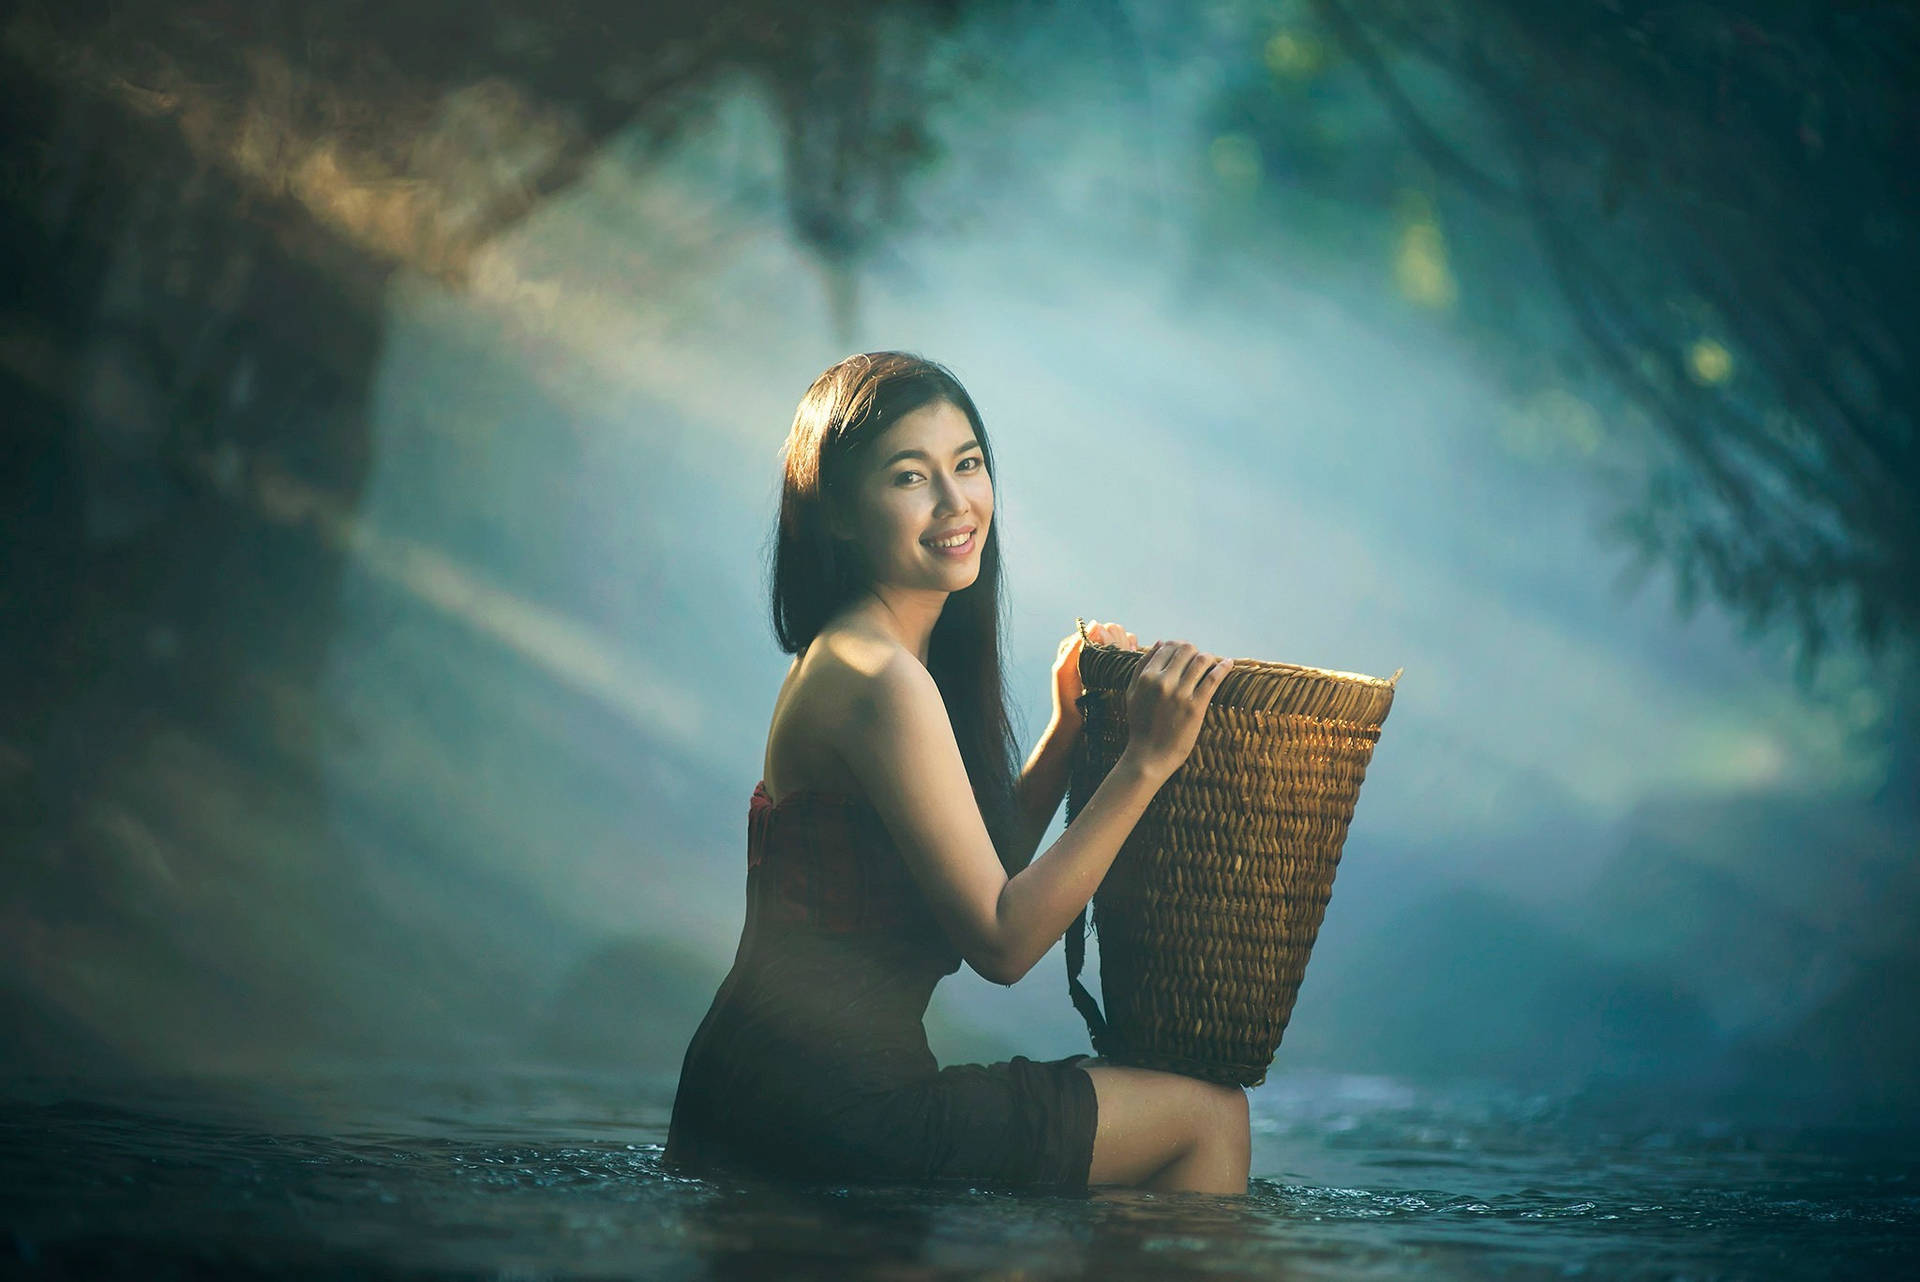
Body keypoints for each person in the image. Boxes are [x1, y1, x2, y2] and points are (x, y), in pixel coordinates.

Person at [664, 351, 1248, 1195]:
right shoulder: (882, 681)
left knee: (1183, 1113)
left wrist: (1066, 729)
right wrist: (1145, 762)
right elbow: (1003, 943)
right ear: (835, 512)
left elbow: (971, 872)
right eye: (911, 477)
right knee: (1209, 1117)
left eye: (967, 465)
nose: (955, 503)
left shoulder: (858, 654)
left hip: (757, 1101)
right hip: (833, 1114)